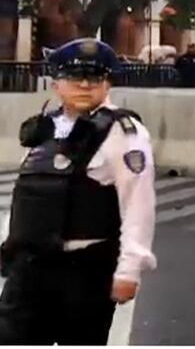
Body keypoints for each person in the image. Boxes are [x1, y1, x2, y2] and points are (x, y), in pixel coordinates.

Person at [0, 38, 157, 344]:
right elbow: (28, 195)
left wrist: (128, 271)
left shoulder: (123, 132)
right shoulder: (44, 128)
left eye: (95, 77)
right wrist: (10, 245)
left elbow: (138, 205)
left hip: (85, 270)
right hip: (30, 267)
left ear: (107, 83)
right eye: (74, 77)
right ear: (56, 83)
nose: (85, 84)